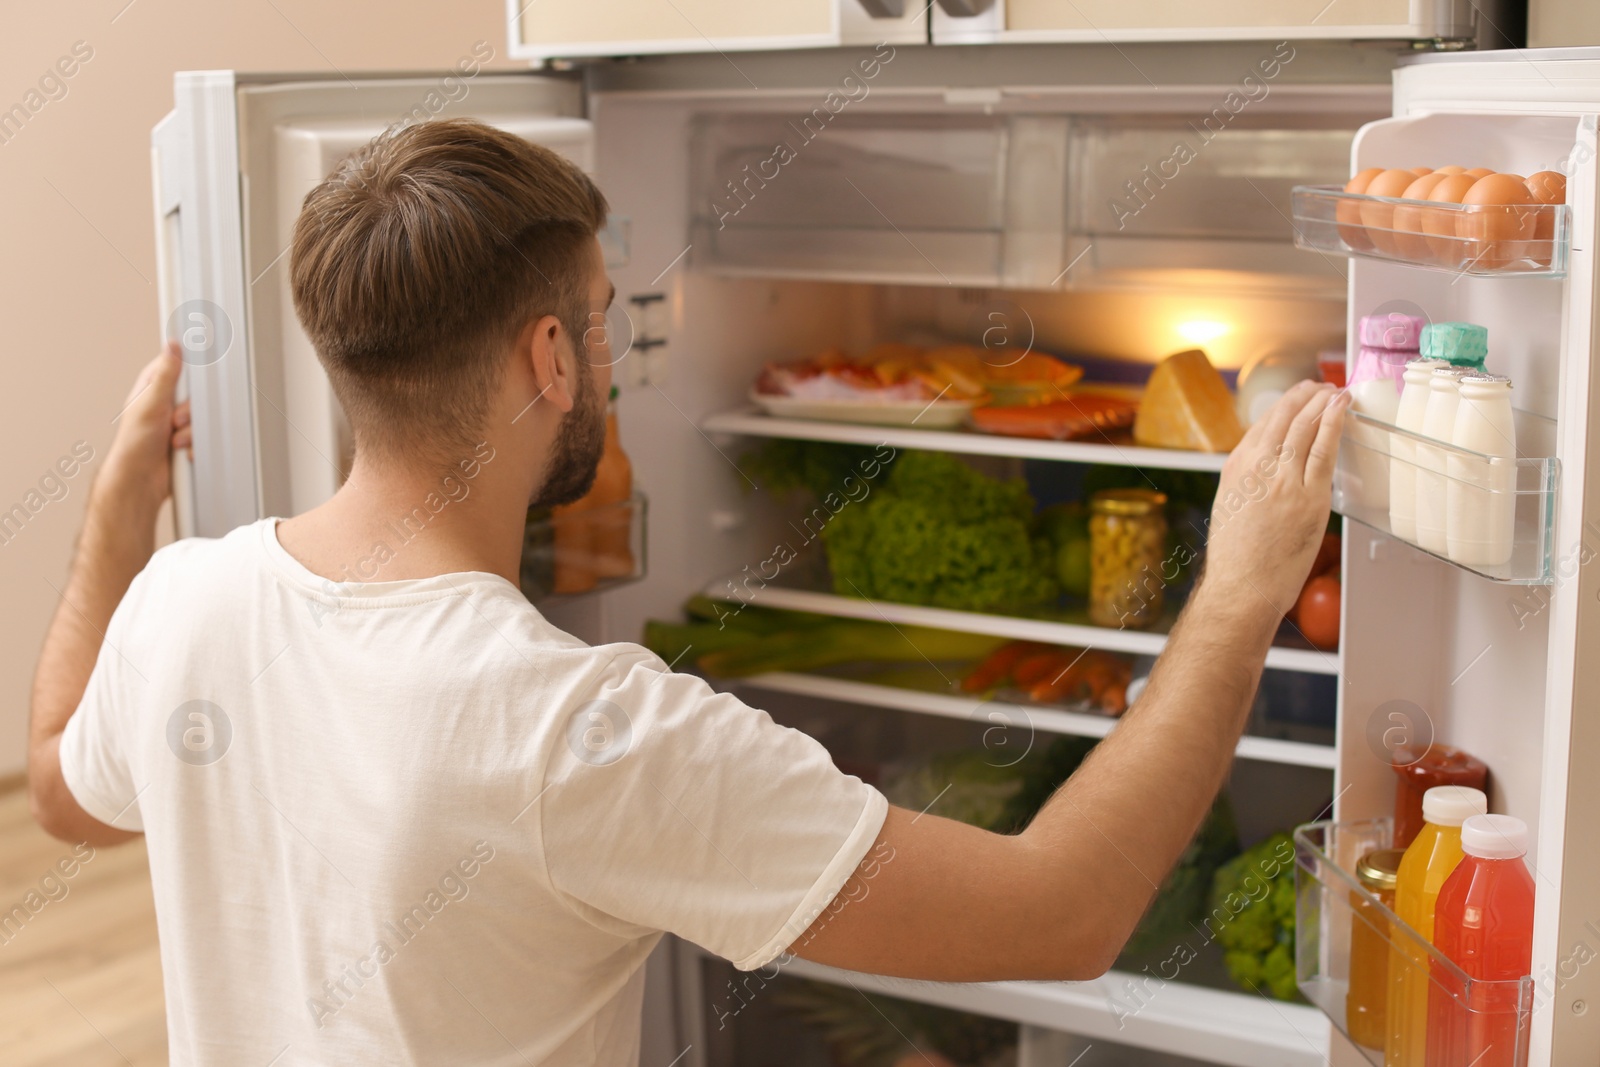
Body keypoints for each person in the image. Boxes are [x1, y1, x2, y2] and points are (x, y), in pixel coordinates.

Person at [28, 118, 1348, 1065]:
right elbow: (1062, 913)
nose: (616, 354)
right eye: (601, 319)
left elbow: (59, 791)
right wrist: (1234, 594)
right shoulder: (583, 732)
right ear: (549, 354)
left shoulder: (180, 602)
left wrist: (111, 519)